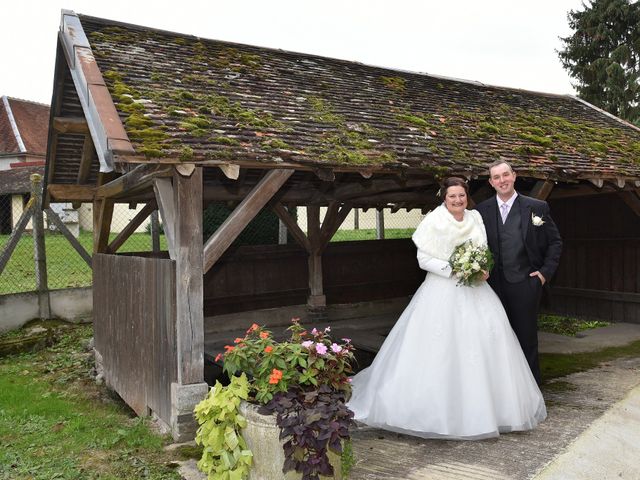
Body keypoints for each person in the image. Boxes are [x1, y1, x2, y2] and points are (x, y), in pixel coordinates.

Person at [347, 177, 546, 440]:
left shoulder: (475, 218)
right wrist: (454, 269)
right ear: (444, 197)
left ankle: (492, 410)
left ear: (467, 197)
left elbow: (483, 248)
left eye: (461, 196)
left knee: (485, 344)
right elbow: (423, 259)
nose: (457, 201)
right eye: (452, 196)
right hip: (441, 289)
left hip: (477, 290)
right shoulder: (434, 220)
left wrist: (482, 268)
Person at [476, 161, 562, 384]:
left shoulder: (537, 207)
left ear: (514, 176)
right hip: (491, 287)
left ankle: (531, 393)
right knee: (495, 340)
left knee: (526, 340)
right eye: (496, 177)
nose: (502, 180)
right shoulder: (480, 211)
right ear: (491, 182)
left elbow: (555, 242)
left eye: (506, 175)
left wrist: (544, 274)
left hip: (525, 284)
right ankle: (502, 391)